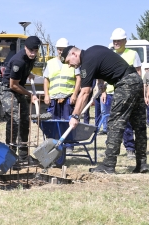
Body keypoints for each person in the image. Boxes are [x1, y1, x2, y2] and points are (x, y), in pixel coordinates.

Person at [61, 45, 148, 174]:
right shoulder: (94, 50)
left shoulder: (86, 63)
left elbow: (85, 92)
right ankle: (142, 164)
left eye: (68, 61)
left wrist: (75, 116)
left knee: (114, 125)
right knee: (139, 125)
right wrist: (100, 82)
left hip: (125, 84)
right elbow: (103, 63)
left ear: (74, 54)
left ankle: (108, 165)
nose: (69, 65)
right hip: (136, 80)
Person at [97, 28, 142, 159]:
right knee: (111, 123)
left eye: (118, 40)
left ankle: (130, 149)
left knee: (125, 121)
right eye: (114, 40)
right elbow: (101, 74)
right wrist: (103, 91)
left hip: (127, 94)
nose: (116, 42)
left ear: (125, 41)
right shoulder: (109, 54)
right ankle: (109, 151)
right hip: (111, 93)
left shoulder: (133, 54)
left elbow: (138, 74)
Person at [0, 36, 41, 165]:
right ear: (25, 48)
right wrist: (30, 95)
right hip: (8, 90)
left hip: (18, 88)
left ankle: (23, 156)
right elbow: (13, 85)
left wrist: (28, 74)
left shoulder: (30, 59)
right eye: (31, 51)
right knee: (13, 120)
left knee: (25, 121)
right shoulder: (18, 61)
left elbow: (23, 72)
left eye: (35, 51)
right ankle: (9, 157)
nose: (33, 54)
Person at [43, 38, 81, 154]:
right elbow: (46, 80)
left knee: (67, 122)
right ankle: (54, 144)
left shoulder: (73, 61)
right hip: (54, 98)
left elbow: (78, 78)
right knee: (54, 122)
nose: (61, 51)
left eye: (63, 49)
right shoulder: (50, 63)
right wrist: (46, 95)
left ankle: (69, 145)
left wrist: (75, 94)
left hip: (68, 97)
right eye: (59, 49)